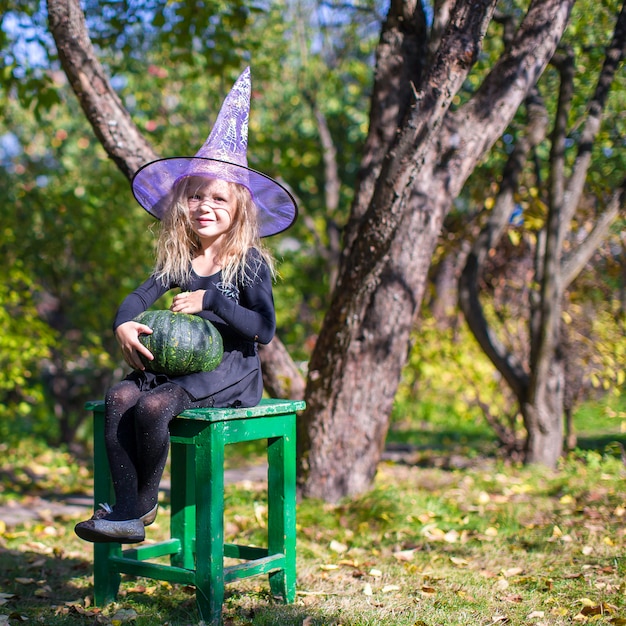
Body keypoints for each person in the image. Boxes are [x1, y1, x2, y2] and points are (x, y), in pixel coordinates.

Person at [74, 67, 297, 543]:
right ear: (182, 204)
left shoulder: (250, 262)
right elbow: (139, 297)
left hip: (229, 372)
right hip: (176, 368)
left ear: (239, 207)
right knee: (119, 398)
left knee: (153, 408)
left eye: (218, 198)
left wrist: (211, 299)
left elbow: (264, 329)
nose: (205, 206)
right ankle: (125, 509)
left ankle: (141, 507)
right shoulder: (179, 258)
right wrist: (123, 326)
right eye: (195, 196)